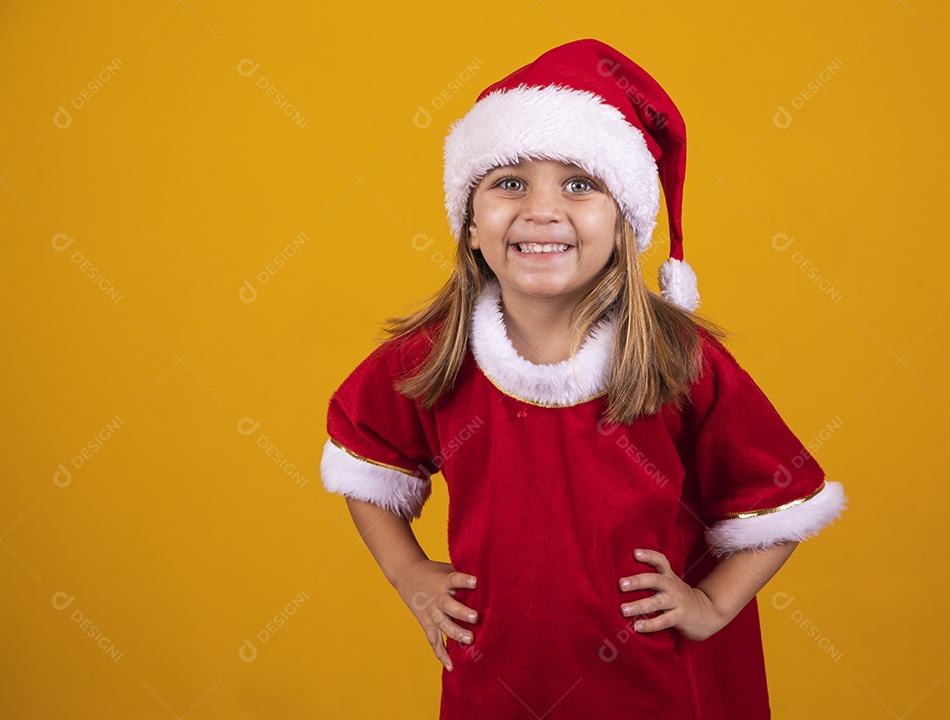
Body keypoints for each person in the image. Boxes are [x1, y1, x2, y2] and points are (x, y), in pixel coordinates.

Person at [319, 38, 847, 720]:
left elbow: (781, 495)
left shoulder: (676, 359)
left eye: (580, 183)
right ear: (470, 227)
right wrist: (408, 572)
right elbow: (365, 455)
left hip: (651, 688)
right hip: (496, 685)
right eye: (509, 182)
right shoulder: (435, 355)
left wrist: (713, 603)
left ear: (625, 223)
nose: (542, 209)